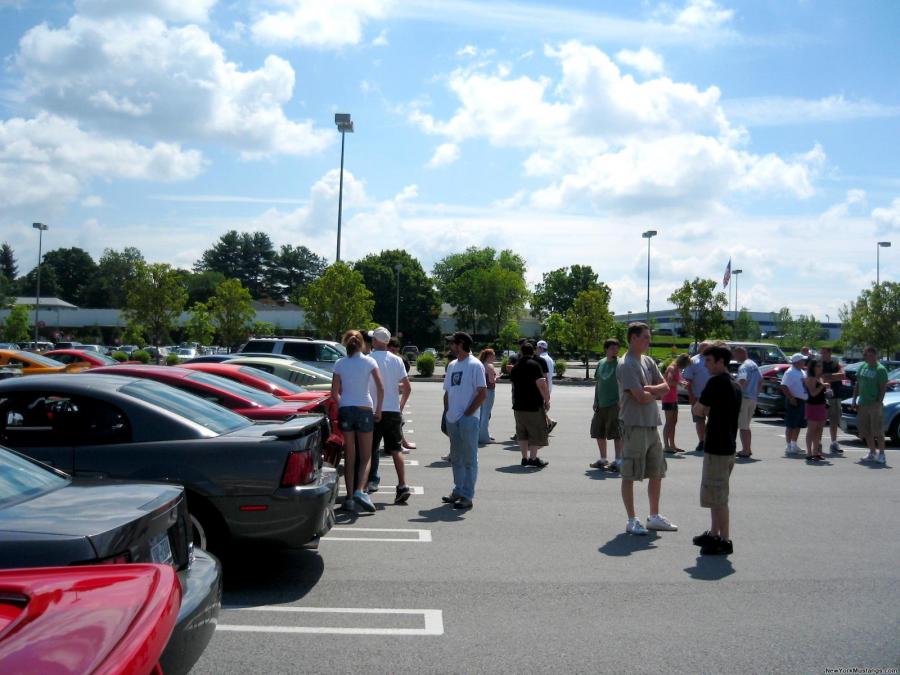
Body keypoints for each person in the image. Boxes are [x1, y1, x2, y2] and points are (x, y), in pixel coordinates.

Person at [616, 322, 676, 536]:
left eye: (649, 337)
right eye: (645, 337)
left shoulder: (648, 361)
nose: (649, 341)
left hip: (652, 424)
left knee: (657, 472)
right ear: (633, 338)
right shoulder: (626, 364)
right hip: (634, 425)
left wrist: (652, 390)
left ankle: (654, 516)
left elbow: (666, 386)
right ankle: (632, 520)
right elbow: (640, 397)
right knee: (630, 473)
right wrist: (654, 392)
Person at [691, 344, 741, 556]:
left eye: (709, 361)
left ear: (721, 361)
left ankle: (724, 540)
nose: (706, 365)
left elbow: (698, 409)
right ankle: (713, 533)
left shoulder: (716, 382)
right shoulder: (734, 384)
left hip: (718, 449)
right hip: (728, 447)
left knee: (719, 498)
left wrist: (704, 408)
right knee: (715, 494)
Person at [331, 330, 384, 513]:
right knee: (366, 456)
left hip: (346, 409)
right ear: (362, 344)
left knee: (350, 456)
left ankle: (350, 498)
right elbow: (380, 387)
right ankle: (360, 490)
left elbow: (334, 392)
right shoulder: (369, 361)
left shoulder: (340, 363)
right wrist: (378, 410)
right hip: (364, 408)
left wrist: (343, 404)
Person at [441, 332, 487, 509]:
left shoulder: (475, 365)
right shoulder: (452, 365)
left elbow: (482, 393)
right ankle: (458, 490)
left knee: (469, 459)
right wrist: (447, 412)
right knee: (456, 458)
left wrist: (467, 413)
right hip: (452, 418)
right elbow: (447, 391)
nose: (450, 346)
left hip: (468, 419)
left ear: (460, 344)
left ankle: (467, 496)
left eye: (452, 343)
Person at [367, 327, 413, 503]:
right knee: (396, 449)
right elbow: (407, 387)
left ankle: (365, 485)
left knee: (369, 450)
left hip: (373, 409)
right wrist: (400, 406)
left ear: (375, 341)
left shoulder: (368, 359)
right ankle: (402, 485)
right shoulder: (397, 360)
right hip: (392, 410)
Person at [510, 343, 551, 468]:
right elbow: (541, 383)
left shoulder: (516, 367)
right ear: (532, 351)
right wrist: (547, 399)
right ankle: (533, 458)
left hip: (518, 405)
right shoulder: (534, 365)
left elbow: (513, 386)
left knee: (522, 432)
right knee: (535, 432)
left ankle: (524, 458)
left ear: (521, 352)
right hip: (533, 405)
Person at [590, 338, 623, 470]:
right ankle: (603, 459)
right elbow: (598, 382)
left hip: (615, 403)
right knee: (598, 431)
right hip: (601, 403)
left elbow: (625, 382)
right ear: (606, 349)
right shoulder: (601, 363)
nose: (615, 351)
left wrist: (622, 400)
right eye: (612, 348)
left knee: (616, 433)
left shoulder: (620, 363)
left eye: (617, 348)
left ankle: (618, 461)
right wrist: (595, 400)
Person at [853, 346, 889, 464]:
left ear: (873, 355)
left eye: (867, 355)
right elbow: (857, 384)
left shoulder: (880, 369)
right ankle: (872, 452)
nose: (865, 357)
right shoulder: (863, 367)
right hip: (863, 403)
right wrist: (854, 399)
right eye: (864, 355)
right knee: (866, 430)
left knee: (878, 431)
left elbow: (883, 388)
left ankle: (882, 455)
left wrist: (878, 402)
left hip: (874, 404)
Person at [388, 337, 417, 451]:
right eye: (392, 350)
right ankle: (400, 444)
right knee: (397, 422)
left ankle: (400, 443)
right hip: (383, 401)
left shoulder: (397, 361)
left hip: (391, 400)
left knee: (398, 421)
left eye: (396, 351)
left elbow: (404, 384)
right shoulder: (382, 360)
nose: (394, 353)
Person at [683, 341, 712, 452]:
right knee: (700, 420)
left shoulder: (713, 359)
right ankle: (702, 441)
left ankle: (711, 440)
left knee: (713, 420)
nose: (708, 349)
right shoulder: (693, 361)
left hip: (713, 397)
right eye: (706, 347)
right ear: (700, 349)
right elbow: (688, 381)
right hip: (698, 396)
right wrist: (691, 396)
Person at [733, 346, 762, 458]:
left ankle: (745, 450)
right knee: (746, 425)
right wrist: (756, 395)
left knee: (743, 426)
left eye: (735, 355)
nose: (734, 357)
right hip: (752, 398)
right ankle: (748, 449)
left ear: (741, 353)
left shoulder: (743, 366)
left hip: (744, 398)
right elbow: (761, 380)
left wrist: (736, 394)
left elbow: (742, 381)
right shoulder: (753, 365)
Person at [780, 353, 809, 455]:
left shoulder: (802, 371)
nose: (804, 362)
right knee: (791, 424)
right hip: (794, 400)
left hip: (802, 401)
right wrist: (791, 398)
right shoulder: (790, 372)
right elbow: (783, 386)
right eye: (802, 360)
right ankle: (789, 446)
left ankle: (794, 444)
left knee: (798, 424)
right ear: (797, 362)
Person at [661, 354, 690, 454]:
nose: (686, 367)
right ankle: (666, 446)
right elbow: (669, 381)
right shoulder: (672, 368)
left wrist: (682, 382)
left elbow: (677, 380)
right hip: (668, 397)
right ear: (682, 363)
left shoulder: (677, 369)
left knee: (674, 421)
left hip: (673, 397)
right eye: (686, 365)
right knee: (669, 422)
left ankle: (672, 445)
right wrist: (680, 383)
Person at [820, 346, 845, 454]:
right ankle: (818, 444)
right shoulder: (819, 364)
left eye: (824, 353)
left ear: (830, 353)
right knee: (821, 421)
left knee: (834, 421)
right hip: (823, 396)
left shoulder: (836, 364)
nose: (822, 355)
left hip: (836, 396)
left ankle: (834, 443)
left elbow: (842, 375)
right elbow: (820, 378)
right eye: (821, 353)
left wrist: (828, 376)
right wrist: (833, 377)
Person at [536, 340, 558, 434]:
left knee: (538, 408)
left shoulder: (541, 358)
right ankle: (547, 423)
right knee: (541, 407)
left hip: (542, 386)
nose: (536, 350)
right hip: (548, 386)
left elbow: (543, 376)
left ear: (540, 348)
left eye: (537, 348)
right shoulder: (549, 358)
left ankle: (548, 423)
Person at [478, 348, 497, 445]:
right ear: (489, 356)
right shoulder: (489, 366)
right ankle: (484, 437)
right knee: (486, 414)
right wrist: (497, 377)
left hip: (480, 391)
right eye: (493, 355)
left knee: (481, 414)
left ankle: (481, 434)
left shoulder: (480, 364)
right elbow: (491, 380)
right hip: (489, 391)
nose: (494, 357)